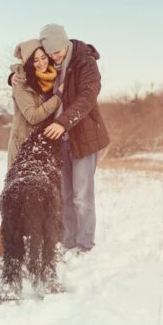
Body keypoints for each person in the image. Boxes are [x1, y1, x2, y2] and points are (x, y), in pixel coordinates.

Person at [0, 39, 63, 263]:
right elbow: (32, 116)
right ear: (27, 62)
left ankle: (43, 251)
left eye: (43, 57)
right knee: (15, 201)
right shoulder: (21, 83)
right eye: (35, 60)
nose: (41, 63)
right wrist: (58, 98)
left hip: (42, 149)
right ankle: (0, 251)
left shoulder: (50, 78)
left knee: (42, 202)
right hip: (22, 147)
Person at [39, 24, 110, 253]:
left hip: (83, 137)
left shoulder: (85, 62)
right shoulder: (51, 63)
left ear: (66, 43)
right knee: (64, 196)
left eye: (57, 52)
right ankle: (67, 242)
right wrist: (14, 76)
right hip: (58, 141)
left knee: (82, 196)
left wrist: (62, 122)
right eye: (49, 54)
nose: (53, 57)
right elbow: (30, 63)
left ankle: (85, 245)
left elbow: (87, 97)